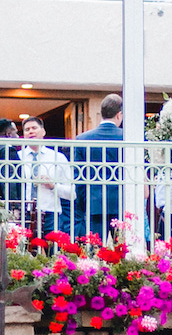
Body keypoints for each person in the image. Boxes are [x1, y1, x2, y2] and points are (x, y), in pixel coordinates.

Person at [72, 94, 124, 241]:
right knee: (122, 251)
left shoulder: (82, 139)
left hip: (94, 202)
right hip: (121, 202)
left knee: (95, 250)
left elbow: (79, 177)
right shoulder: (127, 138)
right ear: (119, 115)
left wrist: (83, 203)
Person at [19, 116, 73, 239]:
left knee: (53, 253)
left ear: (43, 131)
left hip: (50, 213)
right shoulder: (18, 157)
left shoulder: (57, 158)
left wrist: (53, 186)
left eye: (34, 128)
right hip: (25, 213)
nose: (31, 131)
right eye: (27, 130)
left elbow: (72, 194)